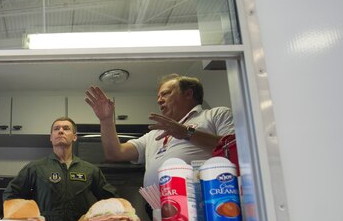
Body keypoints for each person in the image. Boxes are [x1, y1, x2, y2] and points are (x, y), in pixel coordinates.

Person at [84, 74, 235, 190]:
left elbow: (234, 150)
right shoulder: (154, 134)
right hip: (158, 207)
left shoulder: (215, 115)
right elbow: (115, 153)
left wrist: (186, 133)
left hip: (203, 200)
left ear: (188, 94)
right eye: (158, 96)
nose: (159, 100)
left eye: (166, 94)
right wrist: (106, 120)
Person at [3, 117, 118, 221]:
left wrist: (99, 220)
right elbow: (11, 195)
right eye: (56, 129)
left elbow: (111, 199)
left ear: (74, 137)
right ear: (51, 137)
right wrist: (26, 220)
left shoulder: (90, 170)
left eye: (66, 128)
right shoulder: (35, 168)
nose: (61, 131)